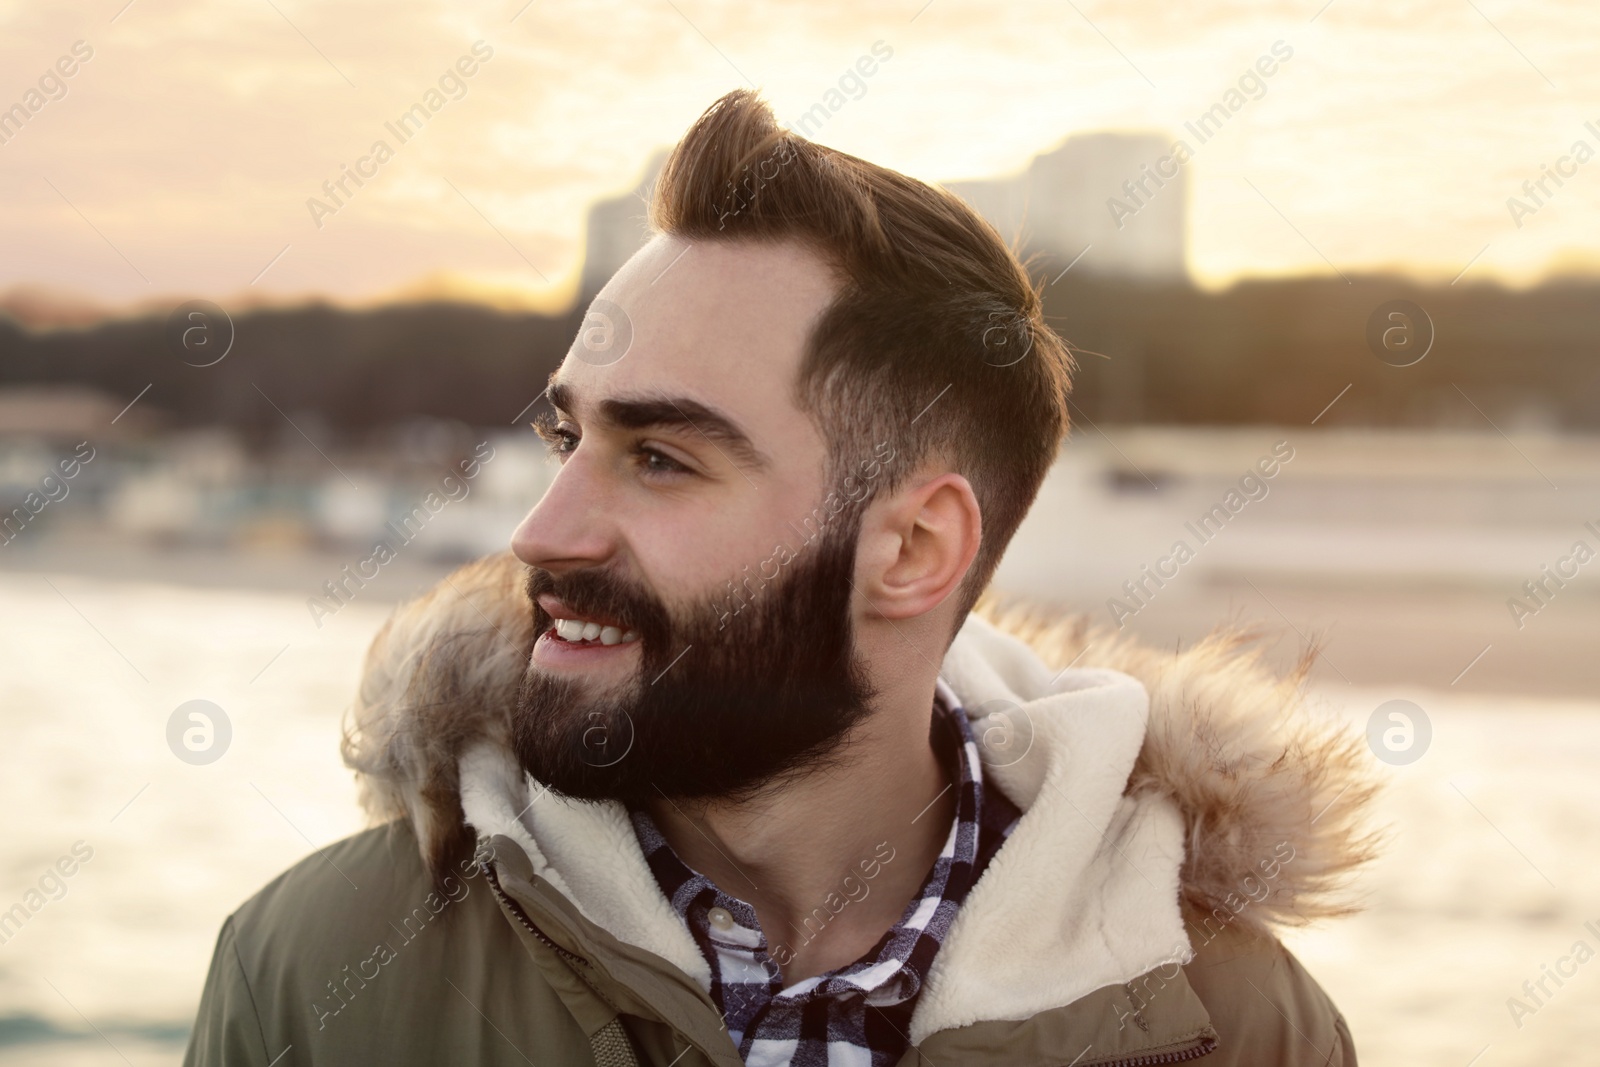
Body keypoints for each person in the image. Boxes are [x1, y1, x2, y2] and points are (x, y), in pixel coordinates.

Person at [184, 89, 1377, 1067]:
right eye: (568, 439)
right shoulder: (316, 971)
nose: (543, 533)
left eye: (659, 457)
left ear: (913, 549)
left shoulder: (1237, 1029)